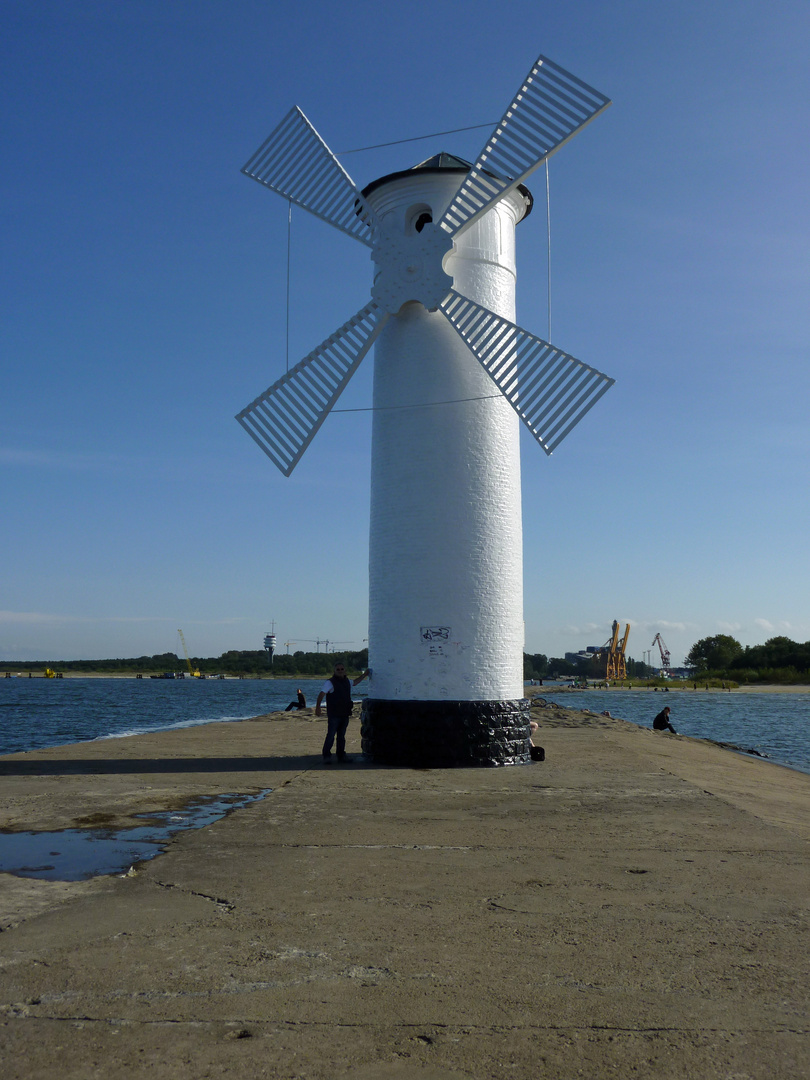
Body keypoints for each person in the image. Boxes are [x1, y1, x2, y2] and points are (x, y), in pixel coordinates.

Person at [315, 663, 370, 763]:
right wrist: (318, 707)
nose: (340, 671)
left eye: (342, 669)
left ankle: (341, 756)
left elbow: (355, 682)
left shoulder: (347, 682)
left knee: (341, 736)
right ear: (334, 671)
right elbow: (321, 694)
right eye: (338, 669)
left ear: (345, 670)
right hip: (334, 714)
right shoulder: (330, 683)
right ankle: (326, 756)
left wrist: (364, 675)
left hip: (344, 713)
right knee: (331, 735)